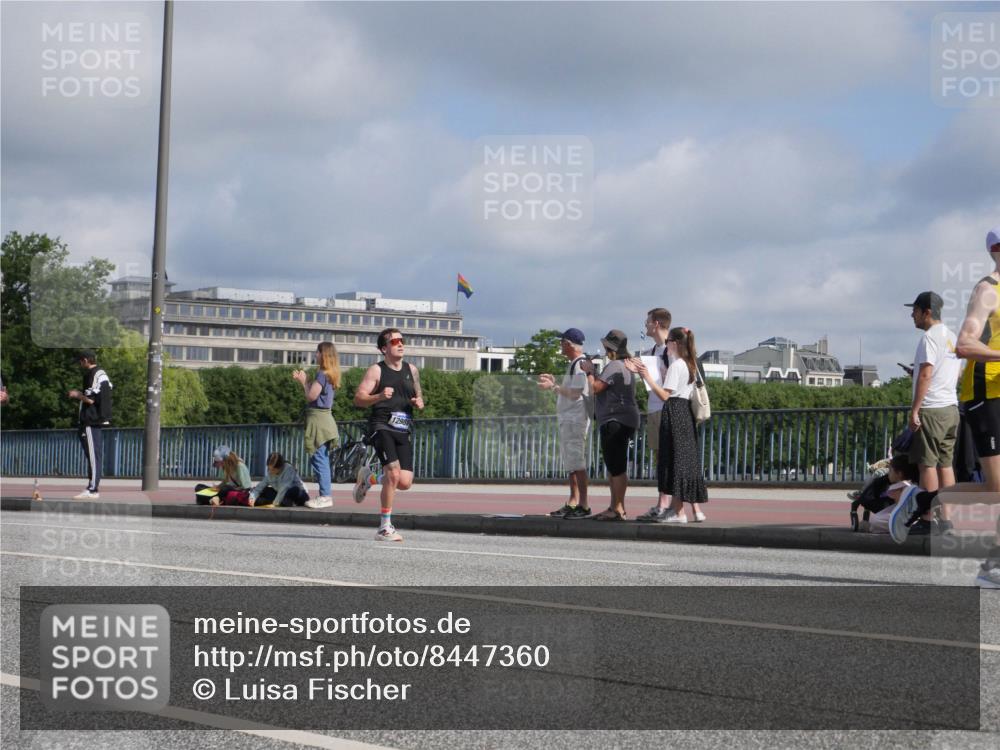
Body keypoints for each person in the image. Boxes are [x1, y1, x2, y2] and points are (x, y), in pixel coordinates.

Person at [901, 227, 1000, 587]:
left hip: (972, 397)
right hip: (984, 394)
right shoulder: (987, 290)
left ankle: (991, 564)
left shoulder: (932, 335)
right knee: (993, 486)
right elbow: (964, 346)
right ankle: (926, 503)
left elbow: (933, 368)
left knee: (994, 486)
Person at [627, 327, 708, 523]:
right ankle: (679, 510)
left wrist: (647, 377)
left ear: (675, 343)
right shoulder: (690, 364)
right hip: (685, 413)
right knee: (681, 461)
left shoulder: (677, 365)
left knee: (671, 460)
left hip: (673, 412)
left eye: (669, 341)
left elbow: (665, 395)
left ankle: (677, 512)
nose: (667, 344)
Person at [352, 328, 425, 541]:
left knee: (404, 482)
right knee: (393, 473)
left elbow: (418, 392)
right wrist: (378, 396)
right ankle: (385, 527)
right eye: (395, 342)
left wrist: (419, 401)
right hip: (381, 425)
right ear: (384, 348)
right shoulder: (376, 371)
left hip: (402, 428)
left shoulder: (412, 370)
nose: (400, 344)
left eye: (402, 340)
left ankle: (369, 478)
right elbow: (358, 398)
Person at [904, 291, 960, 533]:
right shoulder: (952, 337)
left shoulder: (929, 338)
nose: (912, 315)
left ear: (927, 312)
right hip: (951, 408)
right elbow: (955, 372)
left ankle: (927, 518)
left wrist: (915, 409)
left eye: (915, 310)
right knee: (945, 466)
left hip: (932, 409)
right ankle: (946, 520)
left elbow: (926, 373)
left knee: (927, 465)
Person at [579, 330, 639, 521]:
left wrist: (589, 371)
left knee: (616, 467)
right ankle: (615, 507)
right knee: (615, 465)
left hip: (615, 420)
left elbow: (595, 388)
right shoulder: (625, 365)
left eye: (606, 347)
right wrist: (595, 373)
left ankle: (618, 508)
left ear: (610, 348)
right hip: (626, 419)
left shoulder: (614, 365)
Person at [538, 328, 592, 519]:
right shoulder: (576, 364)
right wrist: (555, 385)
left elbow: (576, 393)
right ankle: (573, 501)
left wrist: (553, 386)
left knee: (576, 461)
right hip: (570, 419)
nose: (560, 346)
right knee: (571, 462)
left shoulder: (579, 365)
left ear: (569, 344)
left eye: (562, 343)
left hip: (575, 419)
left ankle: (583, 504)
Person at [295, 341, 341, 509]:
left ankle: (325, 496)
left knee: (319, 458)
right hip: (326, 419)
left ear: (324, 354)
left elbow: (311, 396)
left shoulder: (322, 374)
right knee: (322, 458)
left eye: (317, 352)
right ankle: (325, 494)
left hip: (319, 421)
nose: (315, 355)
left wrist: (303, 381)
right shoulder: (332, 373)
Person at [638, 308, 672, 513]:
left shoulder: (672, 349)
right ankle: (664, 501)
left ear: (656, 323)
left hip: (667, 408)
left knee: (668, 457)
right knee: (659, 457)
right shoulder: (653, 351)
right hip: (654, 407)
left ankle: (668, 503)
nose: (646, 325)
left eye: (647, 322)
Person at [67, 350, 112, 500]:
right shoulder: (101, 373)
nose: (80, 364)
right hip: (96, 419)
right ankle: (92, 487)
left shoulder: (92, 374)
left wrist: (77, 394)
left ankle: (92, 489)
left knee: (93, 456)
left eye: (80, 361)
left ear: (86, 360)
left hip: (91, 421)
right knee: (94, 455)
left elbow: (91, 399)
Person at [242, 452, 310, 507]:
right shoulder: (270, 474)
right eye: (269, 469)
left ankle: (288, 503)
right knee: (266, 490)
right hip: (280, 495)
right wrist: (252, 498)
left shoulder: (288, 469)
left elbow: (284, 488)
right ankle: (279, 502)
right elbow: (259, 487)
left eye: (273, 469)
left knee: (293, 490)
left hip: (298, 494)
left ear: (280, 467)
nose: (270, 471)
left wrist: (274, 504)